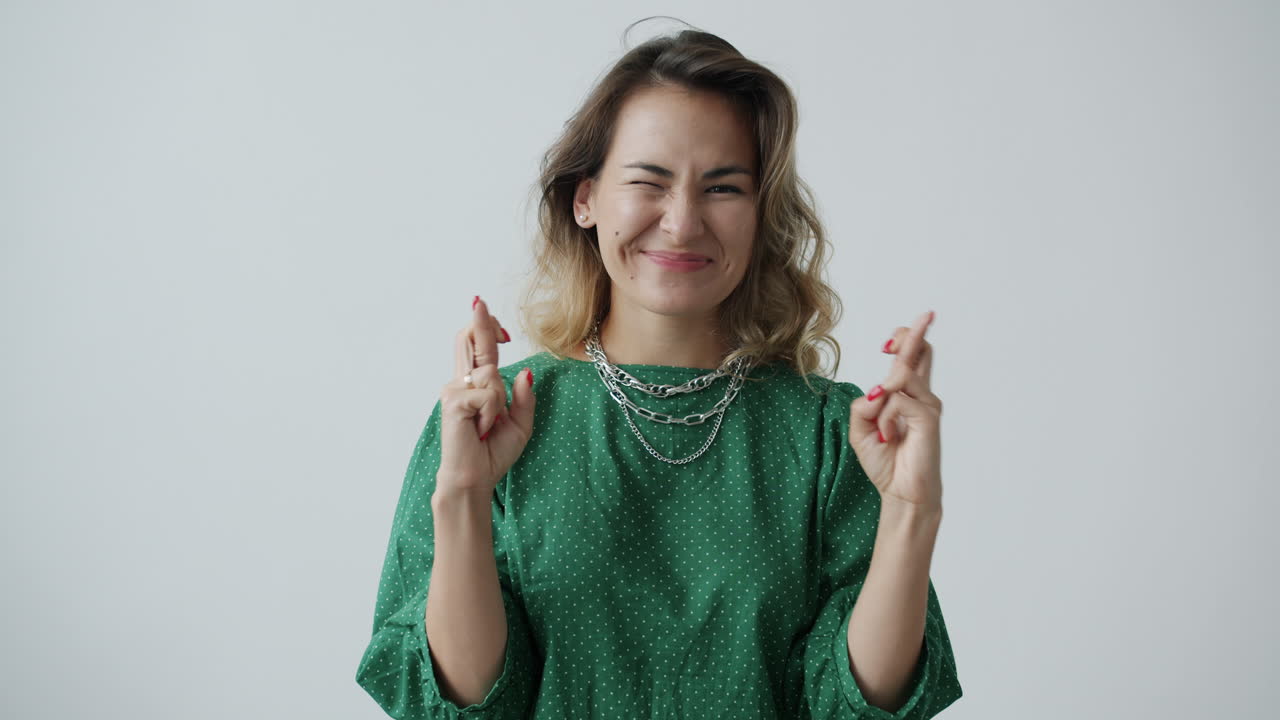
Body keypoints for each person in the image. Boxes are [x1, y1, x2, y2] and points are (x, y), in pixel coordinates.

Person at [356, 19, 962, 719]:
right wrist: (462, 492)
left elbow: (858, 707)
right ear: (584, 199)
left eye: (723, 188)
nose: (681, 223)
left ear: (762, 215)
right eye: (649, 181)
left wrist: (914, 511)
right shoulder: (494, 421)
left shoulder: (830, 435)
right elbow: (460, 707)